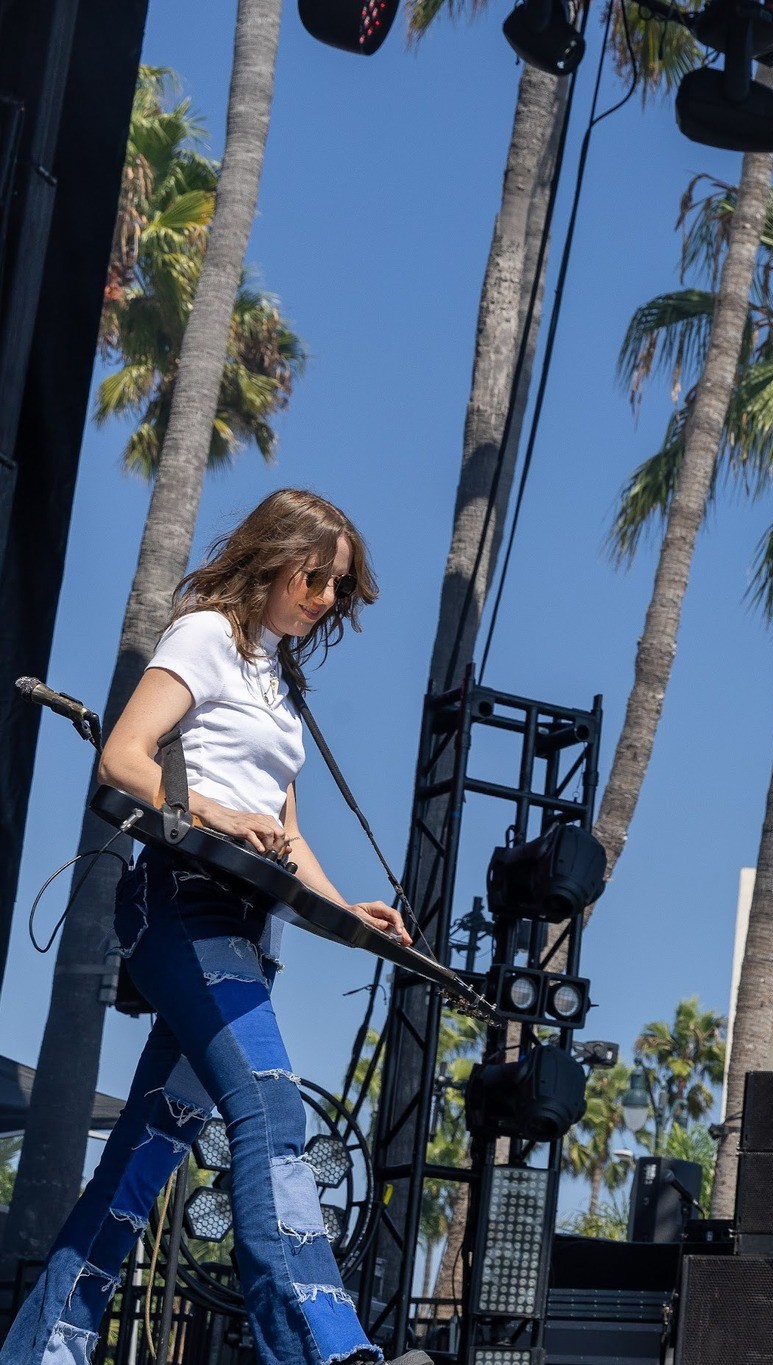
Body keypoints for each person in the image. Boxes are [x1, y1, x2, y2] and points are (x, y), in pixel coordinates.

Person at [0, 490, 427, 1365]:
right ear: (272, 559)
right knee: (271, 1110)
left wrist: (349, 912)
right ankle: (323, 1348)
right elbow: (124, 757)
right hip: (182, 906)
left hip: (246, 932)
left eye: (338, 589)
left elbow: (290, 832)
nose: (323, 599)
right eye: (315, 578)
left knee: (139, 1164)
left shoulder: (280, 678)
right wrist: (221, 814)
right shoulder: (204, 635)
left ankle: (41, 1349)